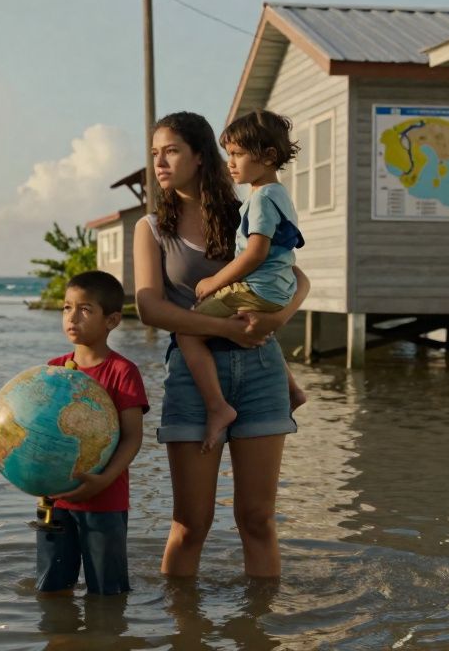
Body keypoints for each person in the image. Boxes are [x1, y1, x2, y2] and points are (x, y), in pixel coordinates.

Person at [132, 111, 311, 579]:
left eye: (170, 150)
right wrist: (227, 330)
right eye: (155, 154)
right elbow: (149, 308)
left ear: (199, 156)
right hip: (193, 378)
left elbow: (298, 278)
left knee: (257, 519)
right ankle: (182, 632)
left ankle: (260, 632)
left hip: (260, 371)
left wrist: (275, 319)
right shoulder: (151, 228)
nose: (160, 162)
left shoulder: (245, 211)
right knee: (192, 524)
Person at [178, 109, 307, 453]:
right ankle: (293, 391)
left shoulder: (261, 198)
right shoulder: (280, 195)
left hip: (257, 289)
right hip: (279, 290)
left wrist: (215, 282)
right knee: (253, 331)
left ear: (267, 156)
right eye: (228, 155)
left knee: (187, 331)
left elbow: (254, 254)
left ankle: (218, 407)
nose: (230, 163)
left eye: (237, 154)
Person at [36, 270, 148, 596]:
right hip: (55, 499)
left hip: (105, 500)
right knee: (51, 590)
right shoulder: (54, 368)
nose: (72, 317)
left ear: (112, 320)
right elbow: (40, 431)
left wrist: (104, 479)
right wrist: (34, 476)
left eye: (85, 309)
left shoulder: (122, 372)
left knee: (107, 592)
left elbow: (132, 437)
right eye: (67, 308)